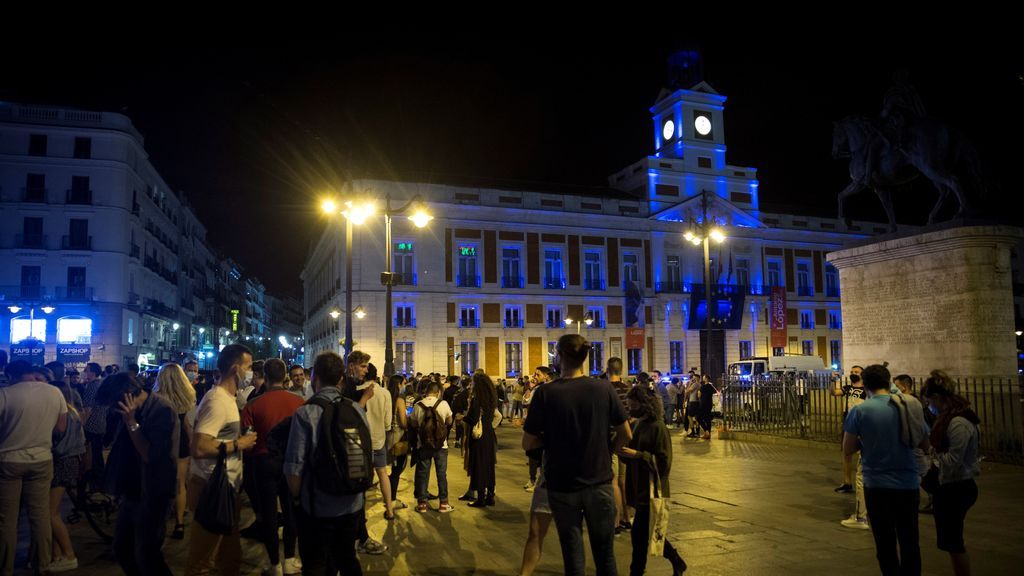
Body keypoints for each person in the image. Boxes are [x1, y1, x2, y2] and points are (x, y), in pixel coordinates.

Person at [523, 335, 631, 576]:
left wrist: (550, 442)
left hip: (562, 486)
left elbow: (528, 442)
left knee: (573, 558)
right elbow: (626, 433)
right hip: (599, 481)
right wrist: (610, 450)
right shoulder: (604, 389)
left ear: (560, 356)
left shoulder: (545, 393)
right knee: (606, 557)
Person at [285, 351, 372, 575]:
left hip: (318, 506)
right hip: (352, 503)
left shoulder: (306, 412)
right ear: (341, 379)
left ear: (314, 377)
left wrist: (298, 501)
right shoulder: (356, 409)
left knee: (316, 564)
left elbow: (294, 468)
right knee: (347, 558)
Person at [843, 364, 928, 576]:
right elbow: (925, 443)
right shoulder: (909, 405)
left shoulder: (860, 411)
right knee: (910, 541)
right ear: (888, 381)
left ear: (865, 385)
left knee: (885, 544)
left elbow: (848, 448)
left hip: (877, 484)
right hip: (908, 483)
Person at [185, 344, 258, 576]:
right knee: (202, 562)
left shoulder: (227, 399)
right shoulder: (217, 401)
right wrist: (238, 444)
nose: (251, 373)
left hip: (227, 488)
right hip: (212, 490)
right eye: (249, 367)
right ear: (236, 369)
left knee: (230, 558)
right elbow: (199, 446)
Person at [101, 371, 180, 576]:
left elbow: (150, 455)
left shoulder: (161, 411)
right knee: (123, 549)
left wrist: (131, 423)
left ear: (127, 396)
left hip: (154, 492)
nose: (114, 410)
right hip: (132, 491)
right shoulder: (132, 410)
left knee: (147, 554)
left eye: (115, 405)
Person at [0, 360, 68, 575]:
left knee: (7, 519)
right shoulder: (54, 392)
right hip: (42, 459)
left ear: (11, 376)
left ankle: (5, 568)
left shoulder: (5, 395)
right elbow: (61, 428)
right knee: (40, 516)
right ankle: (43, 564)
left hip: (9, 460)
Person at [241, 358, 304, 575]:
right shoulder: (299, 402)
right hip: (290, 462)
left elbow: (247, 439)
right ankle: (290, 559)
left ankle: (274, 564)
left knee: (268, 515)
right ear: (285, 377)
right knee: (291, 512)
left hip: (263, 462)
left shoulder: (252, 404)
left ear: (265, 377)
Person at [619, 385, 687, 576]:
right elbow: (631, 454)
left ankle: (638, 570)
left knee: (642, 533)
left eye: (633, 405)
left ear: (644, 404)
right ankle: (675, 561)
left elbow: (664, 462)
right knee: (645, 532)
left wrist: (638, 455)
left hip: (652, 488)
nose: (630, 409)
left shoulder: (658, 427)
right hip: (639, 487)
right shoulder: (637, 424)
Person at [921, 371, 980, 576]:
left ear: (937, 397)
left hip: (957, 486)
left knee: (954, 543)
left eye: (929, 401)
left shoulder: (958, 423)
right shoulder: (949, 418)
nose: (928, 406)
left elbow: (954, 460)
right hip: (949, 485)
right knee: (950, 543)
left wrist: (933, 454)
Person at [152, 363, 197, 541]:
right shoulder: (186, 395)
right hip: (181, 441)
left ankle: (159, 520)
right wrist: (191, 441)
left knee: (158, 480)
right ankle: (179, 523)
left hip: (162, 440)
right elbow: (187, 423)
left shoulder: (156, 398)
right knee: (179, 483)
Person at [48, 374, 86, 572]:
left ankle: (69, 555)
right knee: (52, 512)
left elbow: (62, 446)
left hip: (62, 463)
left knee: (50, 513)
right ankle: (56, 555)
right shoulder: (73, 413)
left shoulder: (64, 417)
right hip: (71, 462)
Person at [410, 379, 454, 513]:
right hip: (441, 445)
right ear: (438, 392)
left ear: (426, 391)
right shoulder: (443, 404)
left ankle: (422, 504)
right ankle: (444, 503)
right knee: (441, 474)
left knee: (423, 474)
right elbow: (449, 421)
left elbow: (413, 424)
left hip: (423, 445)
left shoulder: (418, 405)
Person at [464, 371, 499, 507]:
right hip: (489, 434)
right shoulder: (491, 398)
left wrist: (463, 417)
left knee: (478, 466)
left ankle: (480, 499)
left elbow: (473, 418)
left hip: (478, 437)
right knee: (489, 466)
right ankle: (490, 496)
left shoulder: (477, 399)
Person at [524, 367, 553, 493]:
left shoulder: (546, 389)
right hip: (534, 427)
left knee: (541, 457)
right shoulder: (536, 388)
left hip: (542, 429)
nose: (534, 376)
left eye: (538, 374)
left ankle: (539, 482)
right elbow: (525, 401)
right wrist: (530, 388)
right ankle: (532, 479)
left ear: (546, 376)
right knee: (532, 456)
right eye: (534, 374)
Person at [386, 374, 410, 512]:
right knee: (397, 470)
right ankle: (392, 499)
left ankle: (389, 494)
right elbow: (403, 421)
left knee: (392, 469)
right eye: (403, 383)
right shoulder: (399, 399)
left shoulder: (386, 396)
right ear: (399, 385)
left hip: (388, 436)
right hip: (398, 437)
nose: (404, 386)